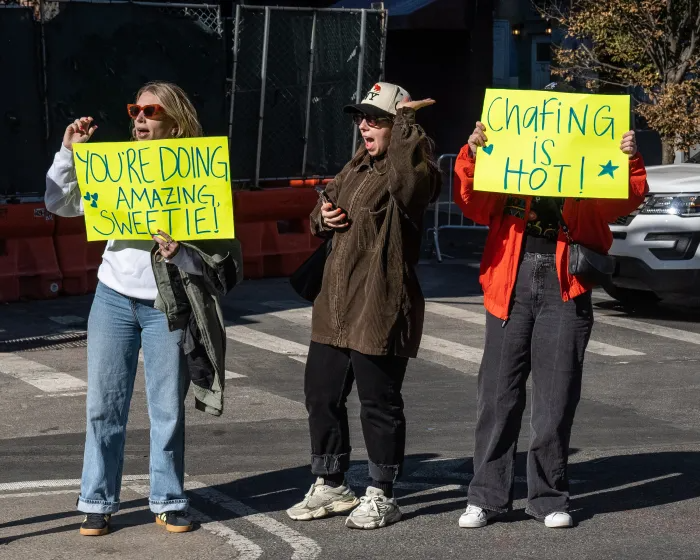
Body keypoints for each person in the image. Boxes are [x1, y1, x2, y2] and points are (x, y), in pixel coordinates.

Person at [45, 81, 241, 537]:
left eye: (151, 111)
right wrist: (68, 152)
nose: (139, 119)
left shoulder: (200, 172)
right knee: (103, 406)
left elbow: (223, 256)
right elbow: (59, 203)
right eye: (135, 109)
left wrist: (183, 254)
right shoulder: (113, 166)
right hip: (112, 297)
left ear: (174, 123)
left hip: (166, 302)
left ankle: (169, 500)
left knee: (166, 409)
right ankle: (97, 501)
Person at [453, 82, 649, 529]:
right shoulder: (504, 156)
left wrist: (628, 158)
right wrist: (472, 152)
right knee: (497, 396)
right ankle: (486, 496)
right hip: (510, 277)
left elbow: (625, 199)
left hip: (567, 280)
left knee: (555, 399)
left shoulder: (593, 160)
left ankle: (547, 497)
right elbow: (473, 204)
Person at [285, 82, 441, 529]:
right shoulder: (357, 165)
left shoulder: (417, 170)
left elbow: (409, 184)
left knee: (378, 402)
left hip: (380, 302)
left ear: (398, 125)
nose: (363, 125)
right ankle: (331, 483)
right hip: (334, 304)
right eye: (360, 118)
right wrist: (323, 217)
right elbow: (325, 205)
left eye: (375, 119)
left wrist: (409, 125)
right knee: (321, 394)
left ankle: (382, 492)